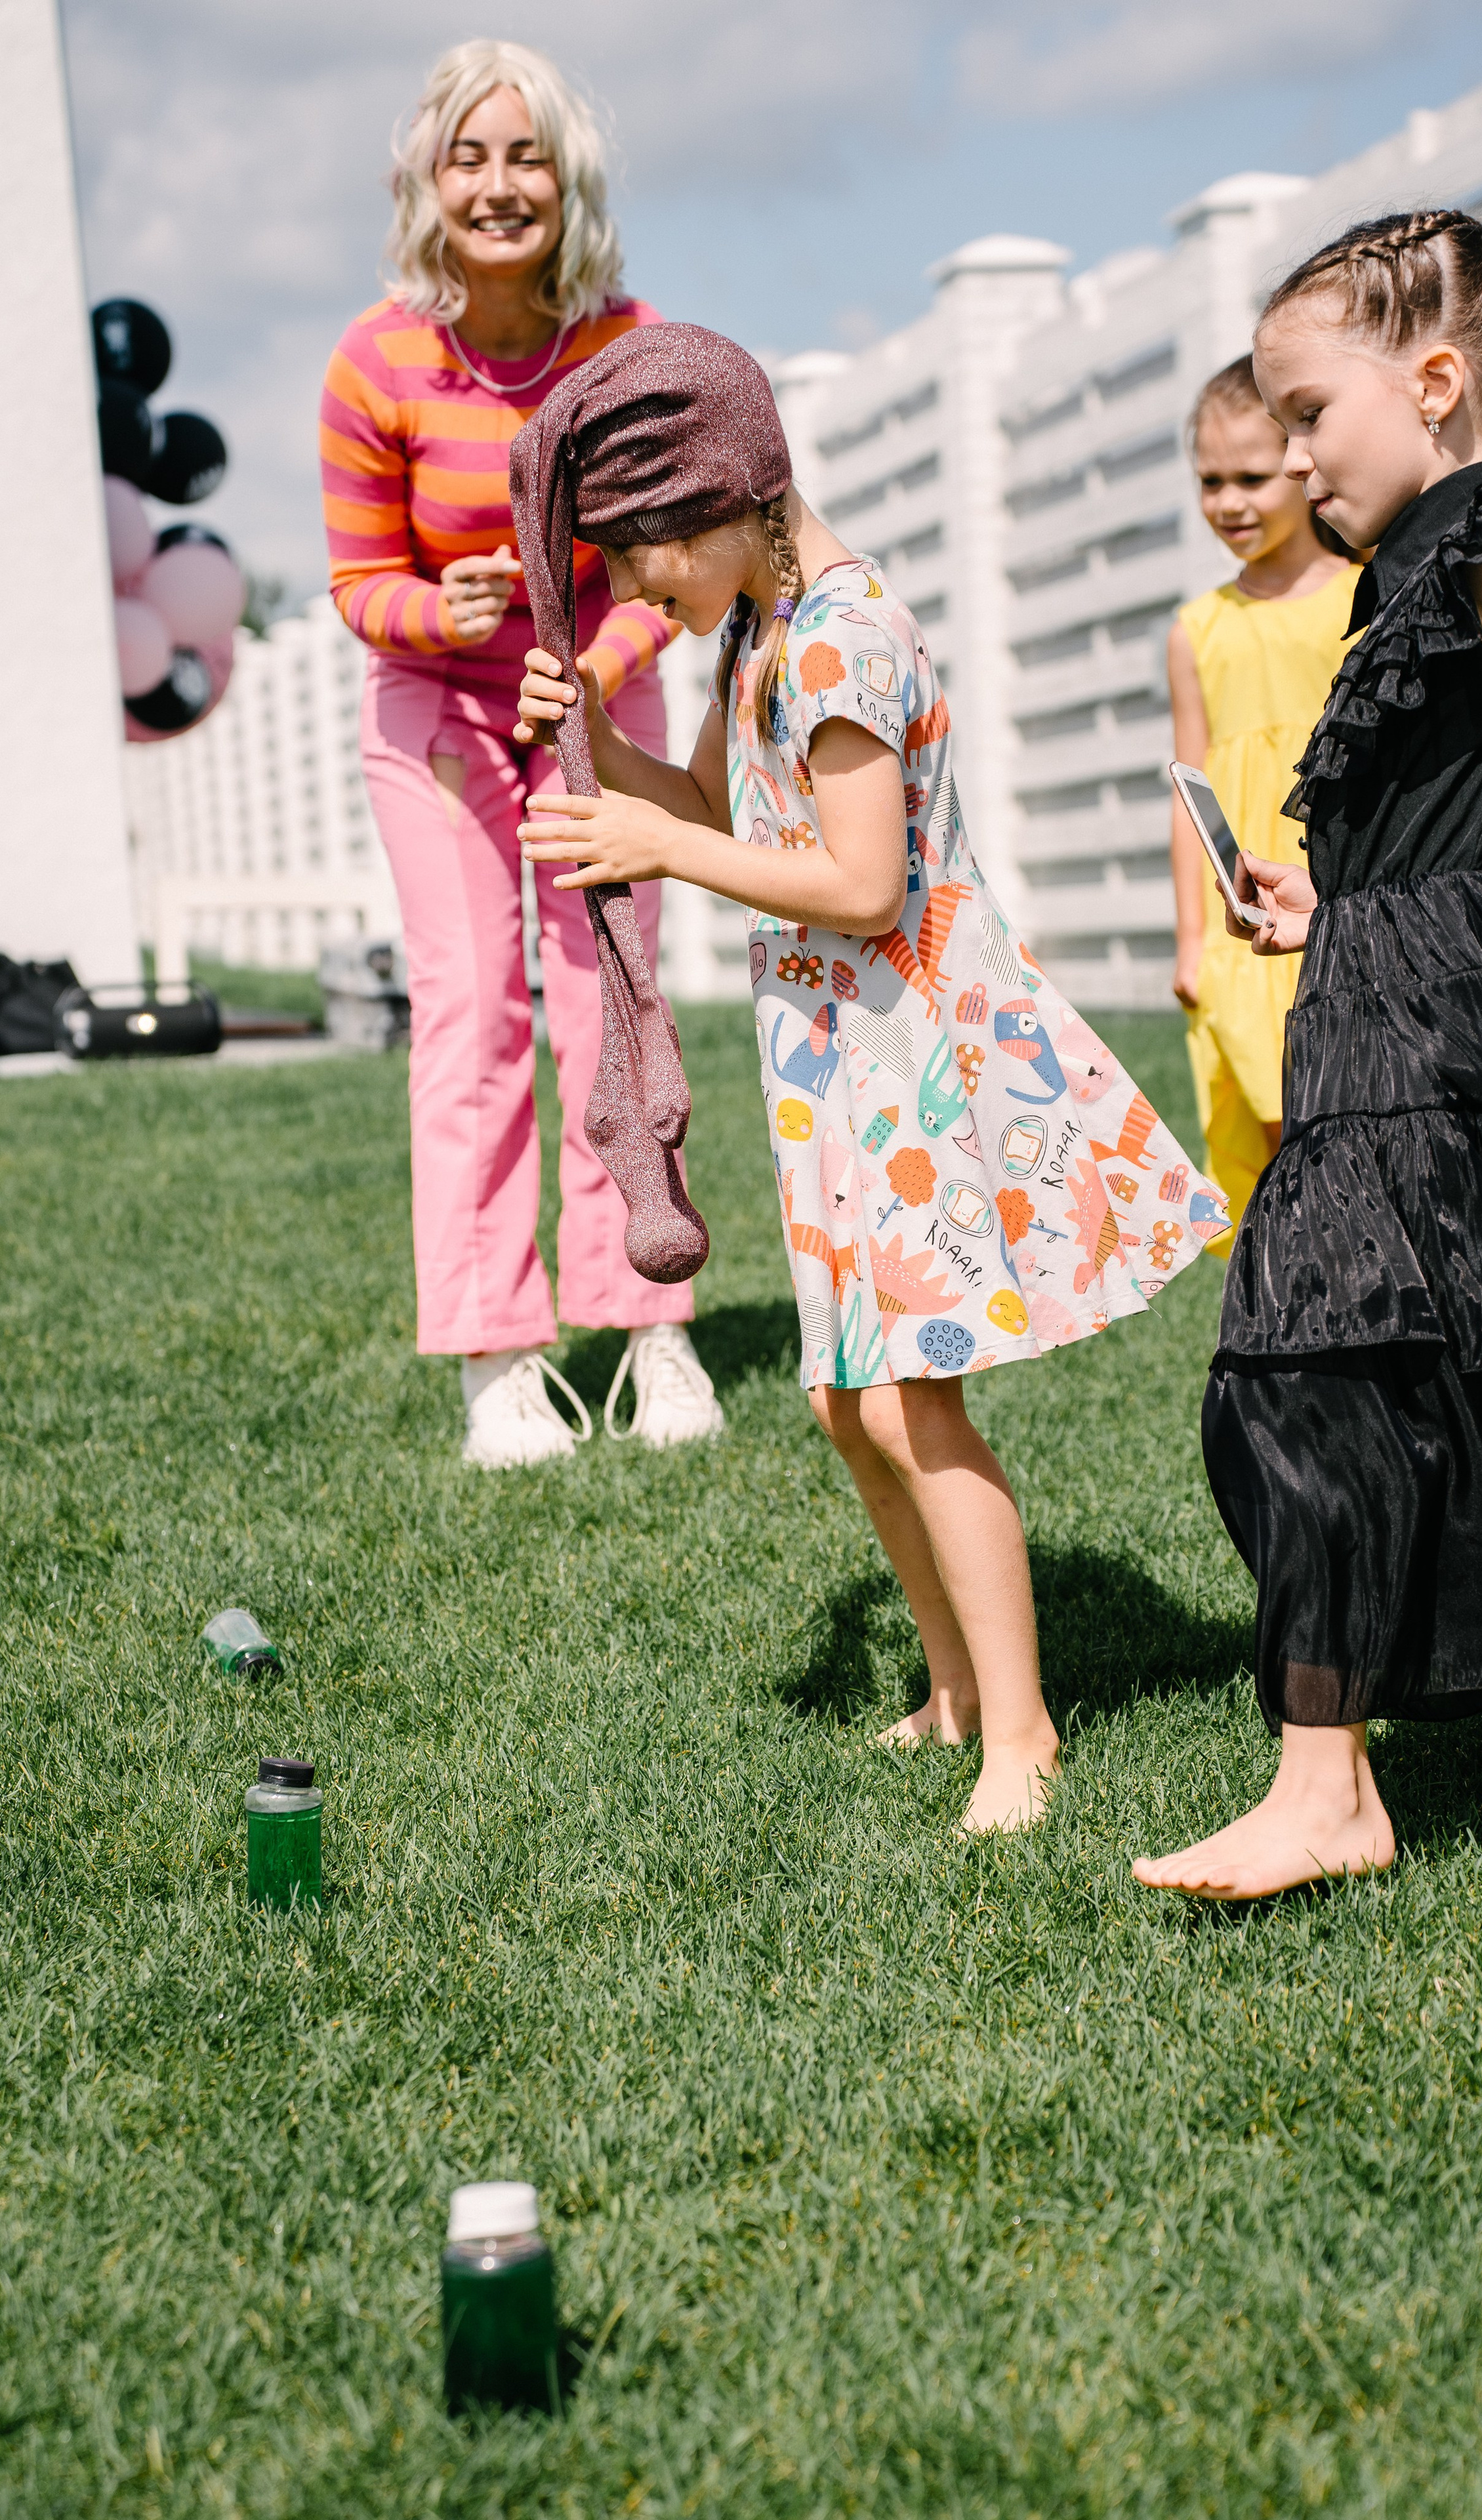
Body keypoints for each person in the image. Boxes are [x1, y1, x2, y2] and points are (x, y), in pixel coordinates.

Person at [505, 325, 1227, 1831]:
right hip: (835, 1066)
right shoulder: (756, 634)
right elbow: (718, 802)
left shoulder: (839, 637)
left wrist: (655, 849)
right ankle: (956, 1681)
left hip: (915, 1064)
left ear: (733, 492)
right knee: (850, 1406)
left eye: (646, 553)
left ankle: (1020, 1732)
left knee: (913, 1404)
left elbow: (852, 881)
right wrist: (599, 751)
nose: (639, 590)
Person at [1132, 211, 1482, 1900]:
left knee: (1303, 1361)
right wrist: (1326, 894)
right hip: (1422, 992)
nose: (1283, 454)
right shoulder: (1418, 569)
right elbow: (1472, 794)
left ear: (1430, 385)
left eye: (1303, 413)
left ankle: (1328, 1787)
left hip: (1451, 1028)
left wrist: (1437, 909)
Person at [319, 39, 724, 1468]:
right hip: (433, 719)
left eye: (527, 154)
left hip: (593, 706)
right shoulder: (374, 364)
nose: (499, 185)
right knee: (471, 1022)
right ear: (427, 182)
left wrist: (591, 672)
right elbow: (358, 582)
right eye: (470, 156)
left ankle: (652, 1332)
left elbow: (666, 567)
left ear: (569, 178)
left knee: (610, 1008)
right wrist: (449, 608)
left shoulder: (629, 348)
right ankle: (497, 1355)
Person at [1168, 357, 1358, 1243]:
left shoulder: (1365, 592)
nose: (1230, 502)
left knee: (1351, 1111)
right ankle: (1303, 1291)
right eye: (1211, 481)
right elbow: (1189, 784)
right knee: (1281, 1131)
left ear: (1301, 462)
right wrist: (1193, 939)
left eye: (1251, 476)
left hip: (1336, 898)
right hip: (1246, 929)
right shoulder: (1198, 627)